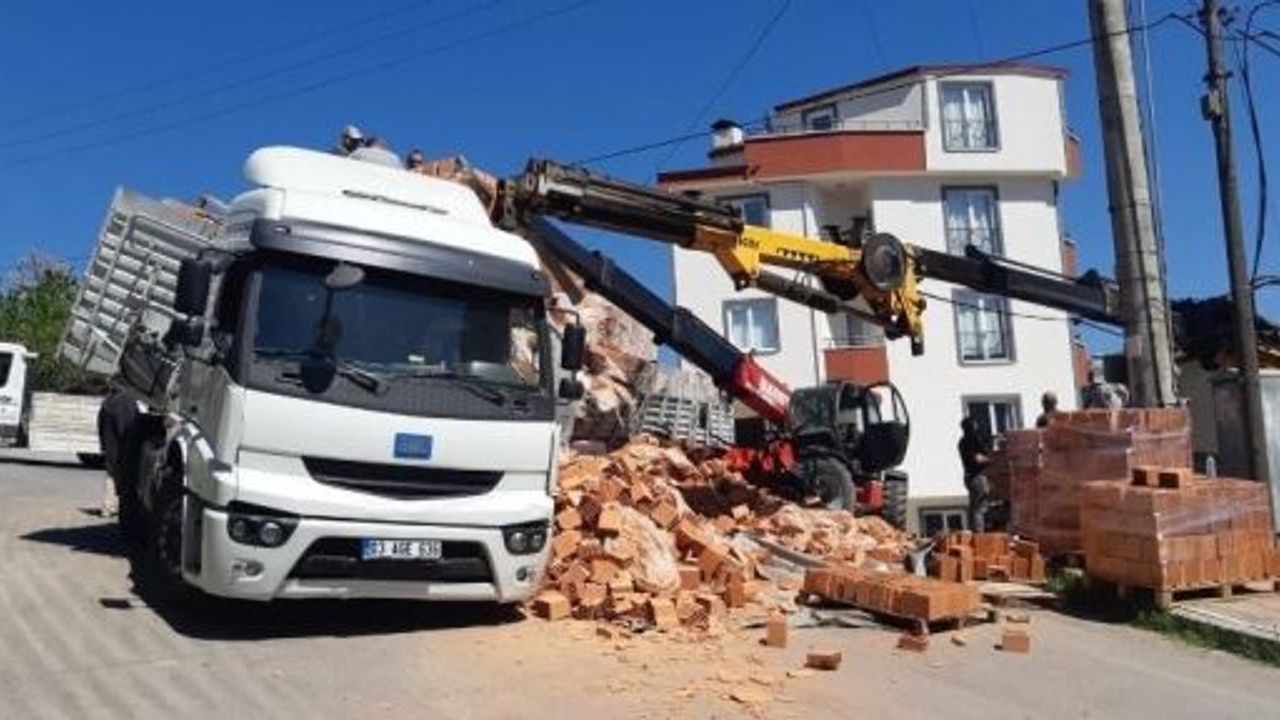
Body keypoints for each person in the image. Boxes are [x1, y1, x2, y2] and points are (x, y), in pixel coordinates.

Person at [958, 416, 992, 532]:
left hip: (969, 476)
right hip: (977, 477)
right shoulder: (972, 440)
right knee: (978, 509)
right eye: (976, 425)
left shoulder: (962, 442)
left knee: (975, 508)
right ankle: (979, 537)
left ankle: (976, 535)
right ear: (972, 426)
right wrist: (991, 459)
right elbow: (977, 459)